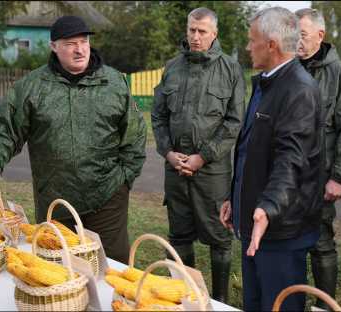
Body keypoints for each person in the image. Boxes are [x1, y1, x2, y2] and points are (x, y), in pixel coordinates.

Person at [0, 16, 147, 264]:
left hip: (107, 197)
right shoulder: (33, 86)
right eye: (70, 43)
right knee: (57, 267)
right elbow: (6, 125)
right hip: (55, 200)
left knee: (111, 266)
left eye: (84, 41)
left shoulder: (113, 82)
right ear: (54, 46)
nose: (80, 49)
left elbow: (135, 133)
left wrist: (123, 180)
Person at [219, 7, 323, 311]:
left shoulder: (299, 90)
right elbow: (251, 150)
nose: (249, 47)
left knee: (279, 305)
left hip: (281, 229)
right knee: (254, 302)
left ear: (272, 44)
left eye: (252, 41)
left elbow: (291, 160)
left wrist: (267, 207)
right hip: (258, 223)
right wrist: (235, 198)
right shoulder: (266, 82)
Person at [151, 7, 245, 303]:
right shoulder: (172, 67)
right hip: (176, 169)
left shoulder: (230, 69)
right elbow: (158, 116)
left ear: (214, 34)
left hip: (212, 173)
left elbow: (234, 122)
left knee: (219, 240)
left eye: (202, 31)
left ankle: (218, 302)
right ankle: (186, 298)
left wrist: (202, 157)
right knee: (179, 237)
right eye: (191, 29)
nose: (195, 36)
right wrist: (167, 152)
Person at [295, 8, 341, 309]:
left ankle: (324, 306)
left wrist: (339, 177)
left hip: (320, 176)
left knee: (320, 243)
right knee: (287, 243)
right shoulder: (286, 67)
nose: (295, 40)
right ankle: (290, 301)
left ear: (320, 36)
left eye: (302, 34)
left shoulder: (339, 73)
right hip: (284, 175)